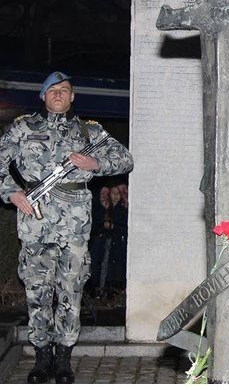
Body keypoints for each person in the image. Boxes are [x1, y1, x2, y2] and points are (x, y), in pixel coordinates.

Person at [0, 71, 134, 384]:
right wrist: (12, 193)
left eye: (65, 90)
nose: (59, 94)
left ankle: (63, 359)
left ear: (73, 97)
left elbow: (125, 159)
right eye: (53, 90)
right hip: (35, 225)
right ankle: (41, 357)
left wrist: (96, 164)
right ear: (43, 96)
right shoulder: (23, 128)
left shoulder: (90, 132)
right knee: (38, 292)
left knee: (70, 292)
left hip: (75, 228)